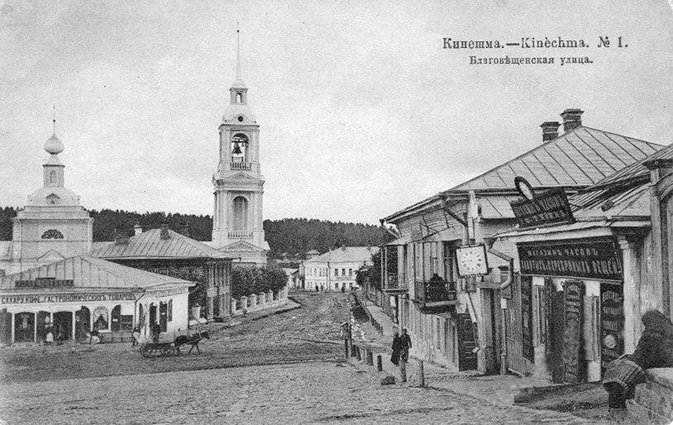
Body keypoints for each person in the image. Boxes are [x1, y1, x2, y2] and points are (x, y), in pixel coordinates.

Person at [603, 310, 673, 413]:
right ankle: (618, 408)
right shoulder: (666, 332)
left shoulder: (651, 335)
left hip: (645, 363)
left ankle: (617, 409)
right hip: (652, 362)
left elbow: (643, 355)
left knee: (618, 380)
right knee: (619, 377)